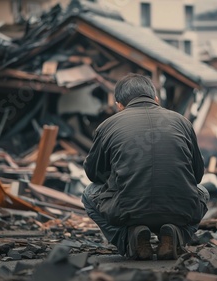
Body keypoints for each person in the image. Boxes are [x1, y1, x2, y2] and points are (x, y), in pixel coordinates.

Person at [82, 73, 209, 260]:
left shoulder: (107, 126)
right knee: (204, 192)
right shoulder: (183, 122)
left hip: (128, 210)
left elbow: (93, 174)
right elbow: (197, 176)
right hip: (180, 208)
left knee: (88, 193)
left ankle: (130, 238)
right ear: (155, 99)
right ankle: (175, 235)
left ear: (119, 105)